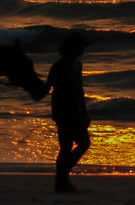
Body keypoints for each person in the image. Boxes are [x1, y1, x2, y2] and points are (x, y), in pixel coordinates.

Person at [44, 31, 91, 192]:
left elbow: (80, 90)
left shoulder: (77, 64)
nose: (83, 50)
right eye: (80, 47)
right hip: (63, 111)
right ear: (72, 48)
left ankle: (62, 177)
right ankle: (61, 180)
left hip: (76, 111)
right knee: (66, 147)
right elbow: (48, 87)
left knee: (84, 143)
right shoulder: (58, 66)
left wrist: (84, 113)